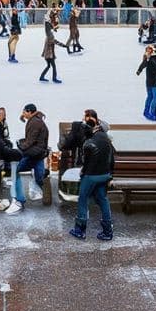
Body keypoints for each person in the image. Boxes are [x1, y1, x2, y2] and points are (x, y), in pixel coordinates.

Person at [69, 109, 115, 241]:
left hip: (91, 175)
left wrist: (83, 172)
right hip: (105, 174)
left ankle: (80, 230)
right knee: (103, 199)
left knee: (83, 199)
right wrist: (110, 174)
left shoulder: (88, 143)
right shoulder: (106, 138)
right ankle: (107, 231)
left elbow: (86, 163)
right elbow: (112, 159)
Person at [7, 103, 49, 213]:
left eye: (24, 112)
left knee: (16, 170)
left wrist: (21, 148)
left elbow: (30, 140)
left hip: (33, 153)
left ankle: (19, 199)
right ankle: (42, 192)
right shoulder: (37, 119)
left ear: (30, 112)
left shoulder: (35, 122)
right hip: (38, 153)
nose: (23, 114)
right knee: (39, 175)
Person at [137, 46, 156, 121]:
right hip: (153, 82)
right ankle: (152, 113)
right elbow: (145, 64)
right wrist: (139, 70)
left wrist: (139, 70)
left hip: (150, 81)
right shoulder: (152, 59)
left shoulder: (155, 58)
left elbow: (143, 65)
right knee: (154, 97)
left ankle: (146, 111)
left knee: (150, 96)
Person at [39, 15, 66, 83]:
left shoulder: (49, 35)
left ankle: (42, 77)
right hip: (49, 55)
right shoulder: (49, 36)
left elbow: (49, 28)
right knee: (53, 66)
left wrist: (53, 26)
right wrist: (64, 46)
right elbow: (55, 41)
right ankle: (54, 78)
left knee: (48, 66)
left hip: (48, 54)